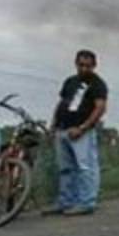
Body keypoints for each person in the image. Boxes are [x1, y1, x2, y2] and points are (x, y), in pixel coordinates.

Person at [43, 49, 108, 217]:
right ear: (76, 64)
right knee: (65, 169)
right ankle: (66, 201)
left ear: (94, 65)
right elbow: (62, 103)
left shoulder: (98, 84)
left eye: (88, 65)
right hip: (63, 130)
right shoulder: (70, 81)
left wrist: (83, 127)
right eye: (81, 65)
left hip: (81, 132)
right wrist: (53, 126)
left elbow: (100, 108)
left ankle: (86, 202)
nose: (84, 69)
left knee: (85, 168)